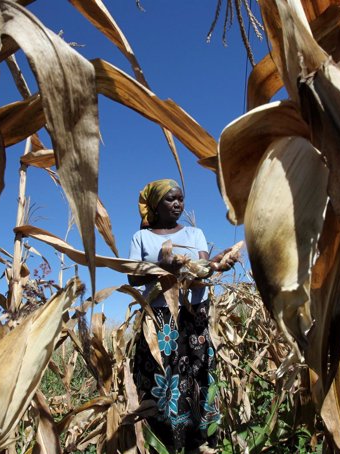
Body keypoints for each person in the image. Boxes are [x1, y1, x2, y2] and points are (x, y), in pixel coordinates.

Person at [128, 179, 234, 453]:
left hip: (192, 314)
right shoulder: (142, 238)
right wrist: (161, 266)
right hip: (159, 318)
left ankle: (200, 443)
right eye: (170, 199)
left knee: (197, 376)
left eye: (180, 199)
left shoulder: (195, 234)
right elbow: (132, 275)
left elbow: (201, 273)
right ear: (155, 204)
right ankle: (162, 443)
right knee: (162, 380)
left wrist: (217, 263)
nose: (178, 204)